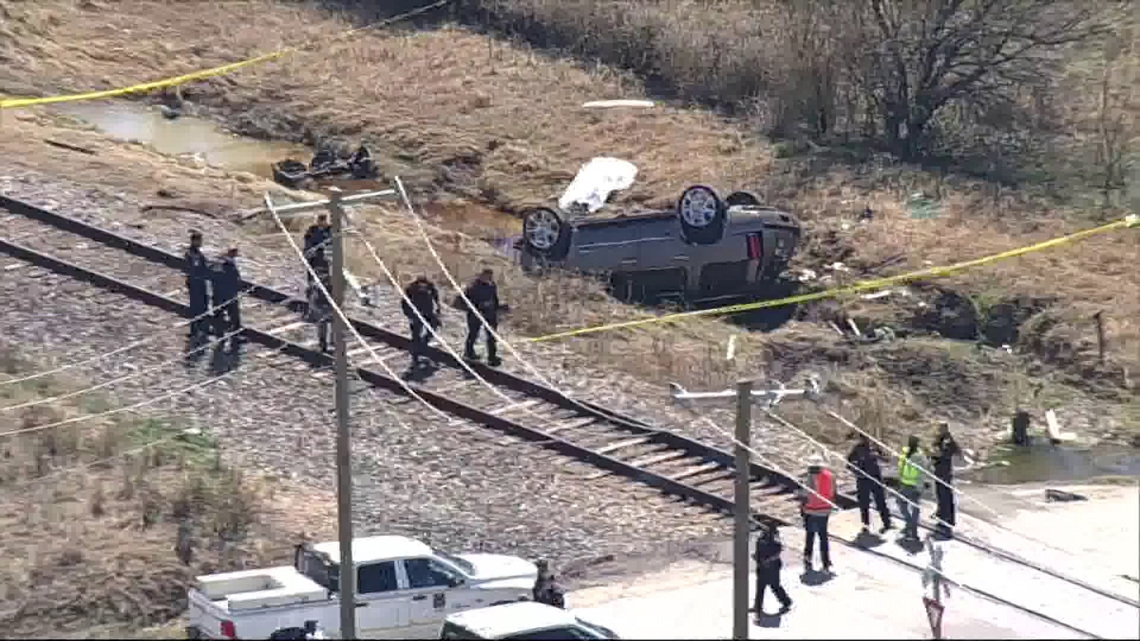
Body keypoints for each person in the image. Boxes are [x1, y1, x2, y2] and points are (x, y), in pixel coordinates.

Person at [846, 433, 893, 535]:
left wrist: (879, 457)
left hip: (876, 478)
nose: (865, 440)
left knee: (880, 501)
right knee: (864, 504)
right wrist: (856, 472)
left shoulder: (876, 448)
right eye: (863, 438)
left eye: (867, 437)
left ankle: (887, 523)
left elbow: (887, 459)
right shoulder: (857, 449)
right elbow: (848, 463)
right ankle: (865, 525)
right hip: (862, 480)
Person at [461, 268, 508, 367]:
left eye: (490, 276)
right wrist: (479, 307)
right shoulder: (473, 286)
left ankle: (492, 357)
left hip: (490, 314)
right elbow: (467, 301)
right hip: (475, 314)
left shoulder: (492, 285)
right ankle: (468, 353)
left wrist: (498, 308)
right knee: (473, 334)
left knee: (491, 336)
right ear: (481, 276)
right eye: (486, 276)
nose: (488, 278)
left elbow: (495, 298)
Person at [798, 453, 835, 573]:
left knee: (810, 535)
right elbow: (834, 492)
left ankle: (807, 557)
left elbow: (805, 495)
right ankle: (826, 561)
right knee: (823, 536)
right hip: (825, 510)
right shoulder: (830, 476)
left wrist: (802, 507)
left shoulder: (810, 477)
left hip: (812, 510)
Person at [401, 275, 441, 367]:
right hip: (416, 314)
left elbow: (436, 297)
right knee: (416, 335)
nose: (423, 288)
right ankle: (415, 356)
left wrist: (438, 309)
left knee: (433, 326)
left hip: (428, 312)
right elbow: (404, 302)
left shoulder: (431, 287)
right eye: (421, 286)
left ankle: (424, 343)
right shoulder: (410, 289)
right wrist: (409, 315)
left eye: (424, 286)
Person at [752, 526, 792, 616]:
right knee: (760, 587)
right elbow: (758, 553)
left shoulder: (775, 542)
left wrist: (768, 560)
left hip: (772, 568)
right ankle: (757, 606)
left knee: (774, 586)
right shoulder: (760, 541)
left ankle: (786, 602)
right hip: (762, 566)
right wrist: (756, 557)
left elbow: (777, 553)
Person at [931, 423, 962, 540]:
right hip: (939, 471)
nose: (938, 430)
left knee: (945, 496)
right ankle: (941, 515)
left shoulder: (947, 441)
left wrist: (936, 454)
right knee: (941, 495)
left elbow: (947, 453)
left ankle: (946, 519)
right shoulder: (940, 439)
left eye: (939, 428)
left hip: (944, 472)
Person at [897, 435, 929, 542]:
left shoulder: (918, 456)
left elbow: (922, 472)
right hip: (906, 484)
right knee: (905, 505)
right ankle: (910, 525)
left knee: (912, 508)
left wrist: (920, 486)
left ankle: (912, 528)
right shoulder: (906, 454)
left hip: (913, 485)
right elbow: (901, 467)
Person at [184, 231, 211, 339]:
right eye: (199, 240)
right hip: (196, 283)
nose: (201, 243)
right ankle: (195, 329)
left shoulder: (198, 253)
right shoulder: (192, 254)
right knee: (196, 307)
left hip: (200, 283)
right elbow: (194, 269)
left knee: (203, 306)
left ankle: (203, 328)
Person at [211, 248, 243, 340]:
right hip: (226, 294)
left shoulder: (219, 262)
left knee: (222, 315)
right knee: (232, 315)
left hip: (221, 293)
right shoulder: (225, 264)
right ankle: (232, 335)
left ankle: (221, 334)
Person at [308, 263, 333, 353]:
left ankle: (327, 343)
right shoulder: (319, 280)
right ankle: (324, 344)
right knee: (324, 323)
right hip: (322, 304)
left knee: (325, 323)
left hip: (327, 304)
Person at [303, 214, 331, 284]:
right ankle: (311, 285)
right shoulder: (312, 228)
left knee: (323, 274)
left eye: (322, 221)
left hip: (324, 256)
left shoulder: (330, 229)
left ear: (325, 221)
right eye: (318, 220)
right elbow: (307, 239)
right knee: (312, 273)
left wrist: (325, 245)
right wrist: (308, 249)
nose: (320, 222)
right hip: (312, 255)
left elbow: (333, 242)